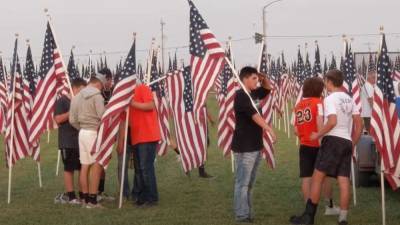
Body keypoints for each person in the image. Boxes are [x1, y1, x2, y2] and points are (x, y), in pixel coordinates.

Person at [290, 70, 363, 225]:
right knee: (343, 181)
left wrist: (317, 135)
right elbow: (359, 123)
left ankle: (308, 217)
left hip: (332, 141)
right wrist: (353, 142)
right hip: (346, 141)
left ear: (330, 81)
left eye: (326, 81)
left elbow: (332, 121)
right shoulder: (350, 99)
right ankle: (343, 218)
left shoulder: (329, 99)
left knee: (316, 178)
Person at [231, 66, 276, 223]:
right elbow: (255, 115)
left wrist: (263, 78)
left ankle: (247, 212)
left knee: (249, 183)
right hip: (244, 147)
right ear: (245, 79)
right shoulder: (241, 95)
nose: (257, 81)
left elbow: (268, 88)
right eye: (254, 78)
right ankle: (241, 215)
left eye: (257, 79)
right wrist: (269, 128)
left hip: (255, 145)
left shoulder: (253, 93)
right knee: (242, 183)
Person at [294, 77, 339, 215]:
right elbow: (320, 122)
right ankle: (330, 206)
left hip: (304, 145)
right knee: (325, 177)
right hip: (318, 144)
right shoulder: (319, 103)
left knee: (306, 177)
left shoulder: (298, 105)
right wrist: (321, 140)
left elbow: (296, 130)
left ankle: (308, 210)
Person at [69, 75, 107, 208]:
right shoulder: (97, 96)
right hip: (93, 132)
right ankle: (92, 200)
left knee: (85, 166)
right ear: (99, 85)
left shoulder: (77, 96)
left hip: (82, 133)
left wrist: (82, 128)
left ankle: (85, 198)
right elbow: (103, 116)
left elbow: (72, 120)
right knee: (96, 166)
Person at [54, 78, 87, 204]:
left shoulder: (82, 101)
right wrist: (71, 110)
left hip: (81, 139)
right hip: (67, 141)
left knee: (81, 168)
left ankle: (82, 194)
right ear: (75, 88)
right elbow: (57, 119)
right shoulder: (62, 101)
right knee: (69, 168)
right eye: (81, 90)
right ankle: (71, 196)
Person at [129, 83, 161, 207]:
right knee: (139, 169)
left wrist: (133, 103)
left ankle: (151, 197)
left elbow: (151, 105)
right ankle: (142, 197)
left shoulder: (142, 87)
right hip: (137, 137)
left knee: (145, 168)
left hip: (147, 135)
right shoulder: (125, 96)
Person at [97, 68, 115, 202]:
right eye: (109, 80)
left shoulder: (113, 92)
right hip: (98, 131)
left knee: (105, 163)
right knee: (97, 162)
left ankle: (100, 191)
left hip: (109, 131)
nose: (110, 82)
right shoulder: (97, 93)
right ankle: (93, 191)